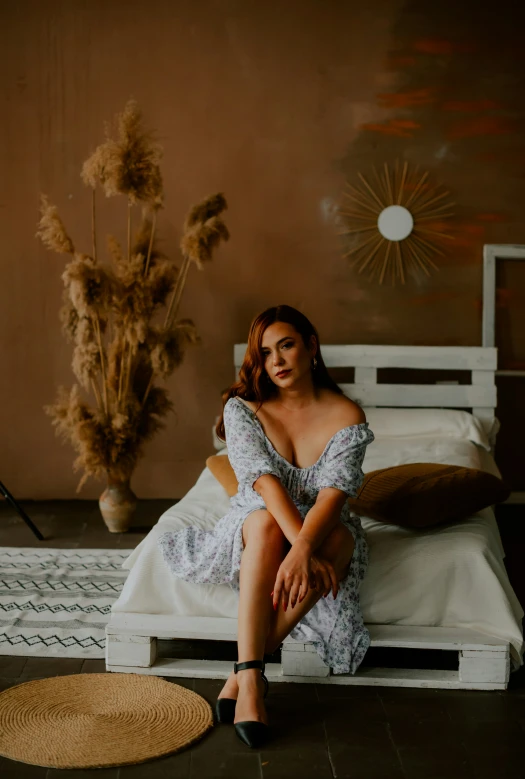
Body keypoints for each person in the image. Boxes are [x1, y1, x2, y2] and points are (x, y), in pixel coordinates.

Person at [157, 304, 375, 748]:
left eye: (287, 345)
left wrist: (304, 550)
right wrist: (301, 550)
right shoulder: (244, 410)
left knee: (344, 538)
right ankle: (254, 682)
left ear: (311, 347)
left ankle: (241, 673)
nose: (276, 361)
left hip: (320, 524)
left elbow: (333, 497)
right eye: (266, 352)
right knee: (265, 522)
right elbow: (267, 488)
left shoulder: (348, 416)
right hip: (258, 519)